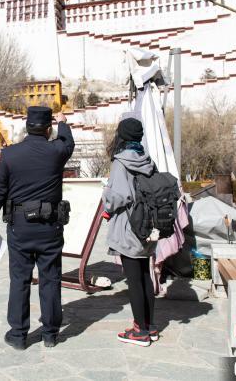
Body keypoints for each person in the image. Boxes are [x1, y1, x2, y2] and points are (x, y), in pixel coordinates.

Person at [0, 106, 75, 350]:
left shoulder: (10, 154)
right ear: (48, 129)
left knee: (20, 280)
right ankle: (50, 333)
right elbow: (68, 143)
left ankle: (18, 335)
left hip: (20, 227)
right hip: (50, 227)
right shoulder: (56, 151)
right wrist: (63, 123)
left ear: (27, 127)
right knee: (50, 278)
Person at [102, 117, 160, 347]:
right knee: (145, 275)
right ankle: (150, 326)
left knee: (134, 280)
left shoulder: (121, 162)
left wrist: (105, 194)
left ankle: (139, 331)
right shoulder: (147, 159)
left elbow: (118, 196)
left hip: (129, 227)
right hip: (148, 227)